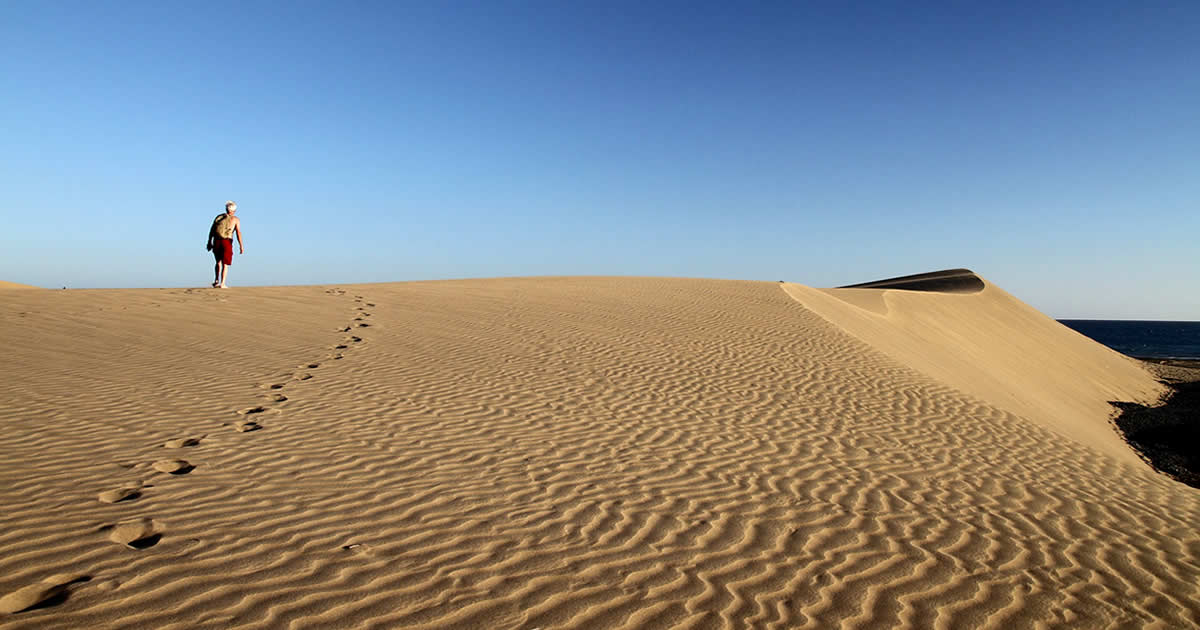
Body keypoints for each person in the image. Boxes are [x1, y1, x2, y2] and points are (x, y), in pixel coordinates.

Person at [206, 200, 244, 288]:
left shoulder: (219, 217)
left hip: (217, 240)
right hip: (227, 241)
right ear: (234, 211)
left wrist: (209, 242)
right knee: (225, 263)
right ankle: (222, 283)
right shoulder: (235, 219)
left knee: (218, 262)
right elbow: (238, 233)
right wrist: (241, 245)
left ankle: (216, 280)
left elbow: (212, 230)